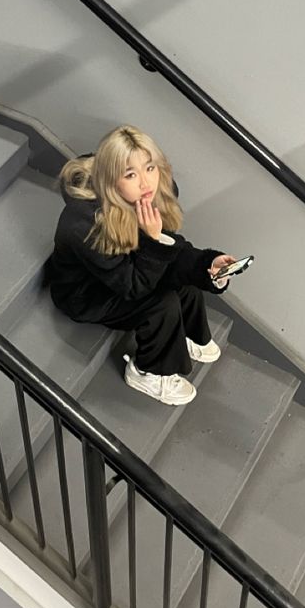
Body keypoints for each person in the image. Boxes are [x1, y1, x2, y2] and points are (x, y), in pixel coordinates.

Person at [47, 125, 236, 406]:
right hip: (86, 292)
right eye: (131, 174)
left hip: (129, 267)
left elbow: (172, 248)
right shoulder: (83, 224)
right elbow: (133, 287)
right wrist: (154, 243)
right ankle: (147, 372)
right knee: (163, 303)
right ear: (111, 180)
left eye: (150, 168)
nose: (146, 183)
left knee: (180, 275)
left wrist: (207, 265)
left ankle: (190, 333)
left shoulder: (151, 193)